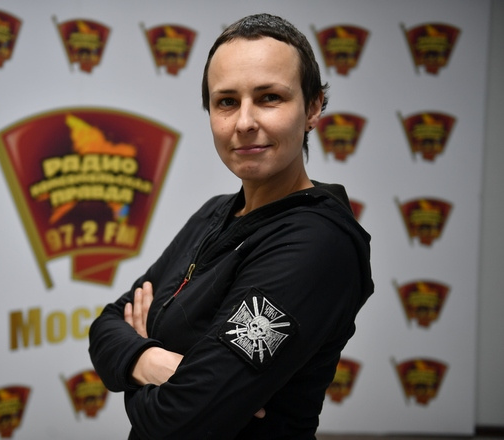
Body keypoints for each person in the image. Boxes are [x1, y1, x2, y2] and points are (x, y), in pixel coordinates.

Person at [88, 13, 373, 439]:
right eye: (226, 102)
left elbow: (182, 419)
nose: (244, 122)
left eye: (269, 97)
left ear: (313, 107)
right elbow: (107, 324)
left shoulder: (316, 244)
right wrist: (153, 362)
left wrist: (131, 370)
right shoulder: (215, 214)